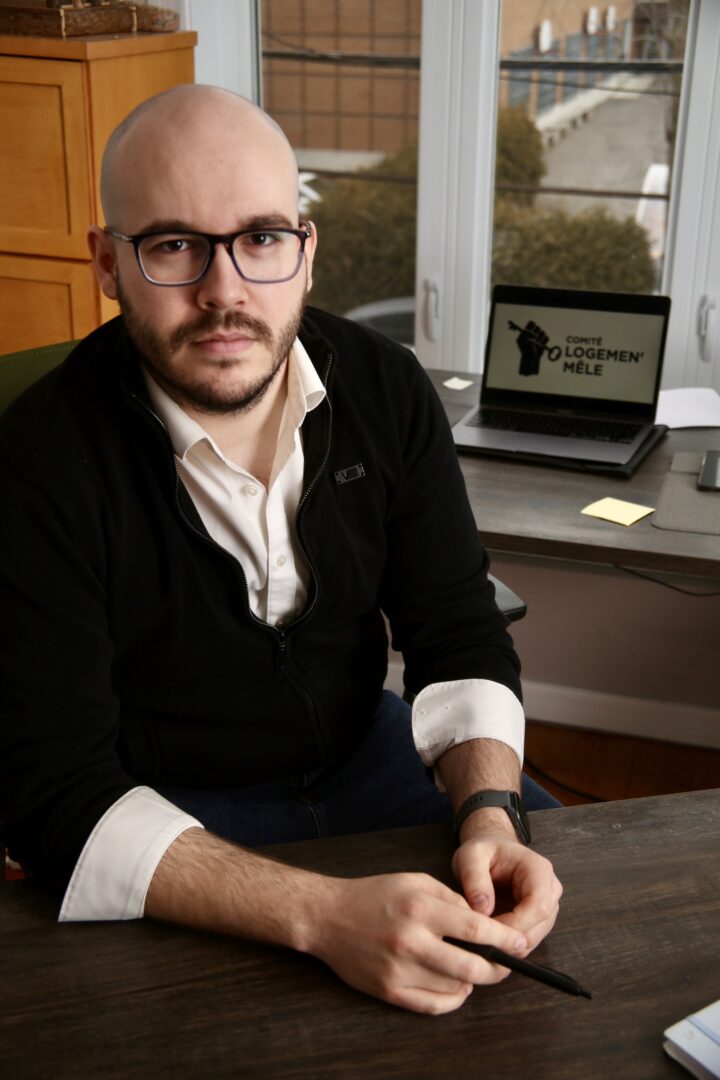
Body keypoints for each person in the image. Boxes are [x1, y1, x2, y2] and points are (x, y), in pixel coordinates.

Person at [0, 85, 562, 1016]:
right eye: (173, 244)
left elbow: (458, 628)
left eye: (260, 239)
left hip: (372, 756)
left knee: (565, 958)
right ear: (107, 262)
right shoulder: (38, 462)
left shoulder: (387, 387)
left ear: (305, 251)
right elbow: (54, 791)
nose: (225, 291)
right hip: (168, 811)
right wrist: (322, 915)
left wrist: (487, 812)